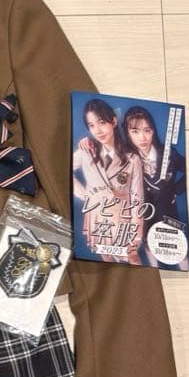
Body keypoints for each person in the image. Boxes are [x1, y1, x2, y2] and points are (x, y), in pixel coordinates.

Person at [72, 97, 145, 264]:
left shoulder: (132, 158)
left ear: (113, 121)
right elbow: (64, 170)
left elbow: (138, 198)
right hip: (98, 216)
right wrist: (88, 196)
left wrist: (137, 234)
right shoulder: (86, 151)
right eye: (91, 125)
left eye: (102, 122)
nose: (98, 130)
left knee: (132, 258)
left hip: (123, 217)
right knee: (106, 258)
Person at [123, 104, 189, 270]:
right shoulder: (126, 158)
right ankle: (153, 275)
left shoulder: (168, 153)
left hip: (169, 213)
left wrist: (176, 190)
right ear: (128, 133)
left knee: (180, 253)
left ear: (153, 131)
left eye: (147, 130)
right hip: (145, 215)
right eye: (135, 131)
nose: (142, 137)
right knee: (149, 247)